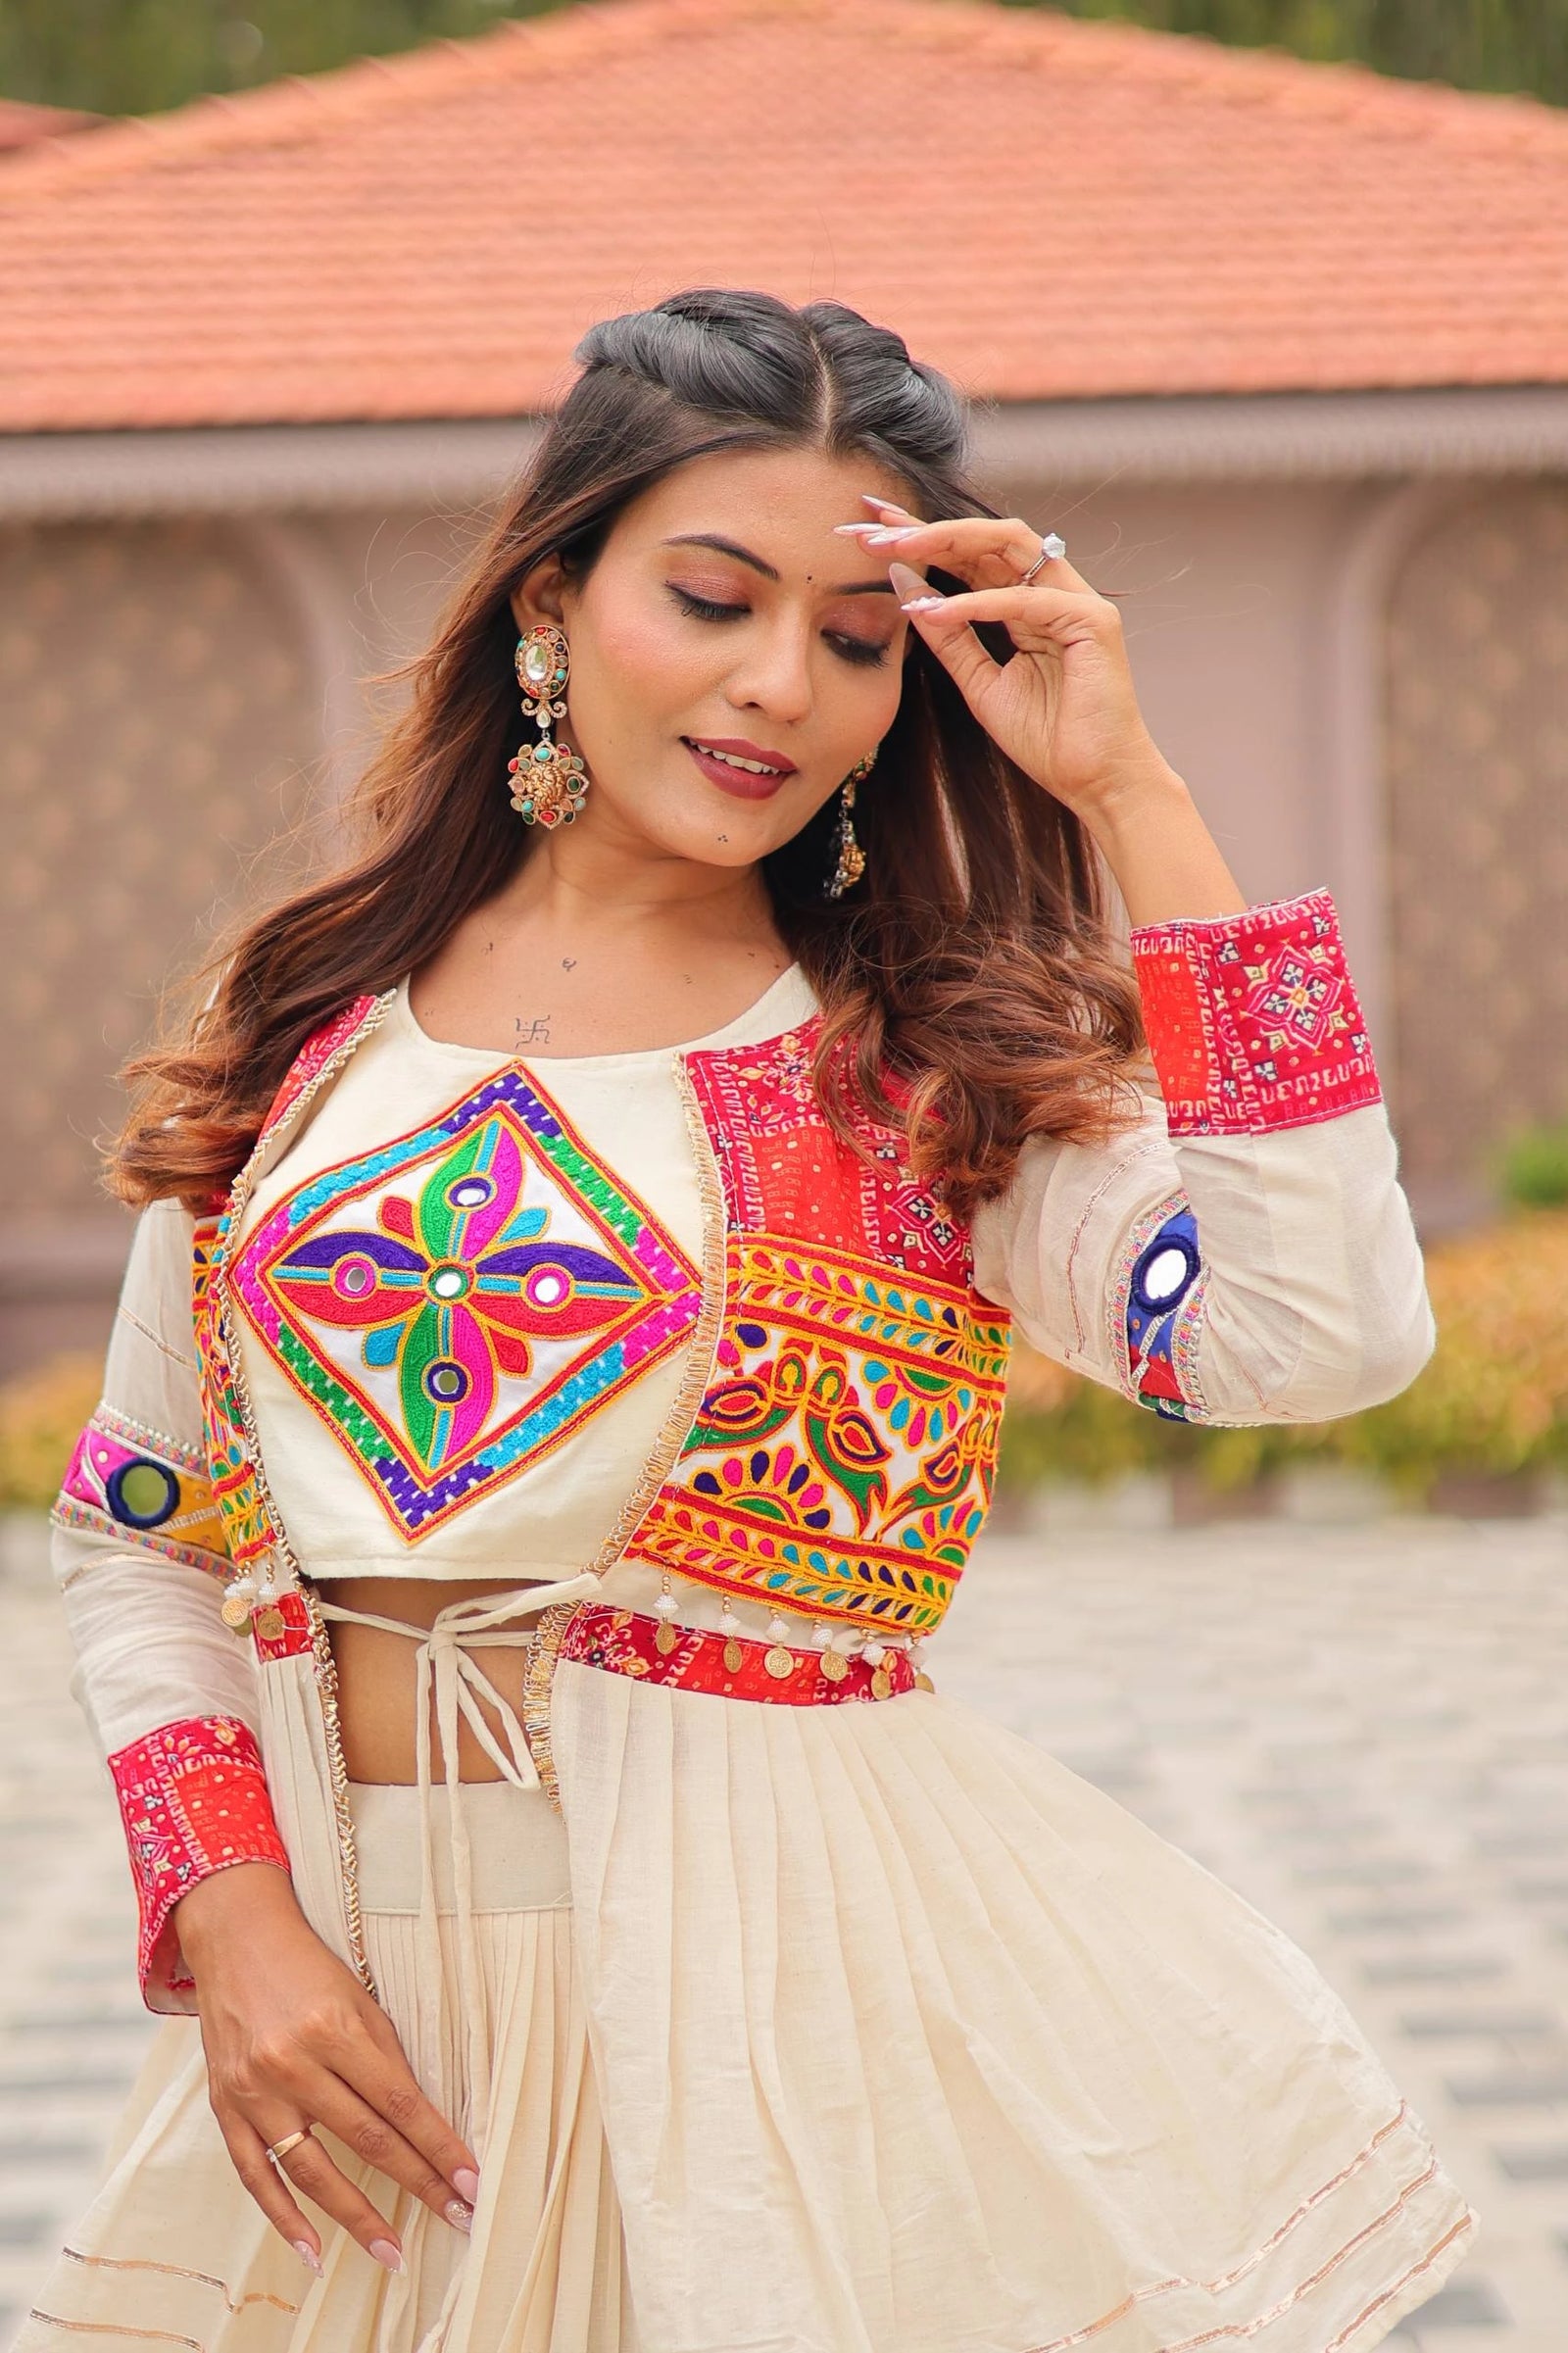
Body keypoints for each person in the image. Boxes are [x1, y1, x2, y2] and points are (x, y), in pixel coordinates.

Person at [24, 289, 1474, 2353]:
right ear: (553, 594)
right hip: (350, 2056)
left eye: (855, 640)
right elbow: (141, 1525)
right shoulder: (303, 1038)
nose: (775, 683)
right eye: (707, 598)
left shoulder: (920, 1080)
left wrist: (1132, 790)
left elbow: (1316, 1338)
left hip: (782, 2037)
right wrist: (223, 1910)